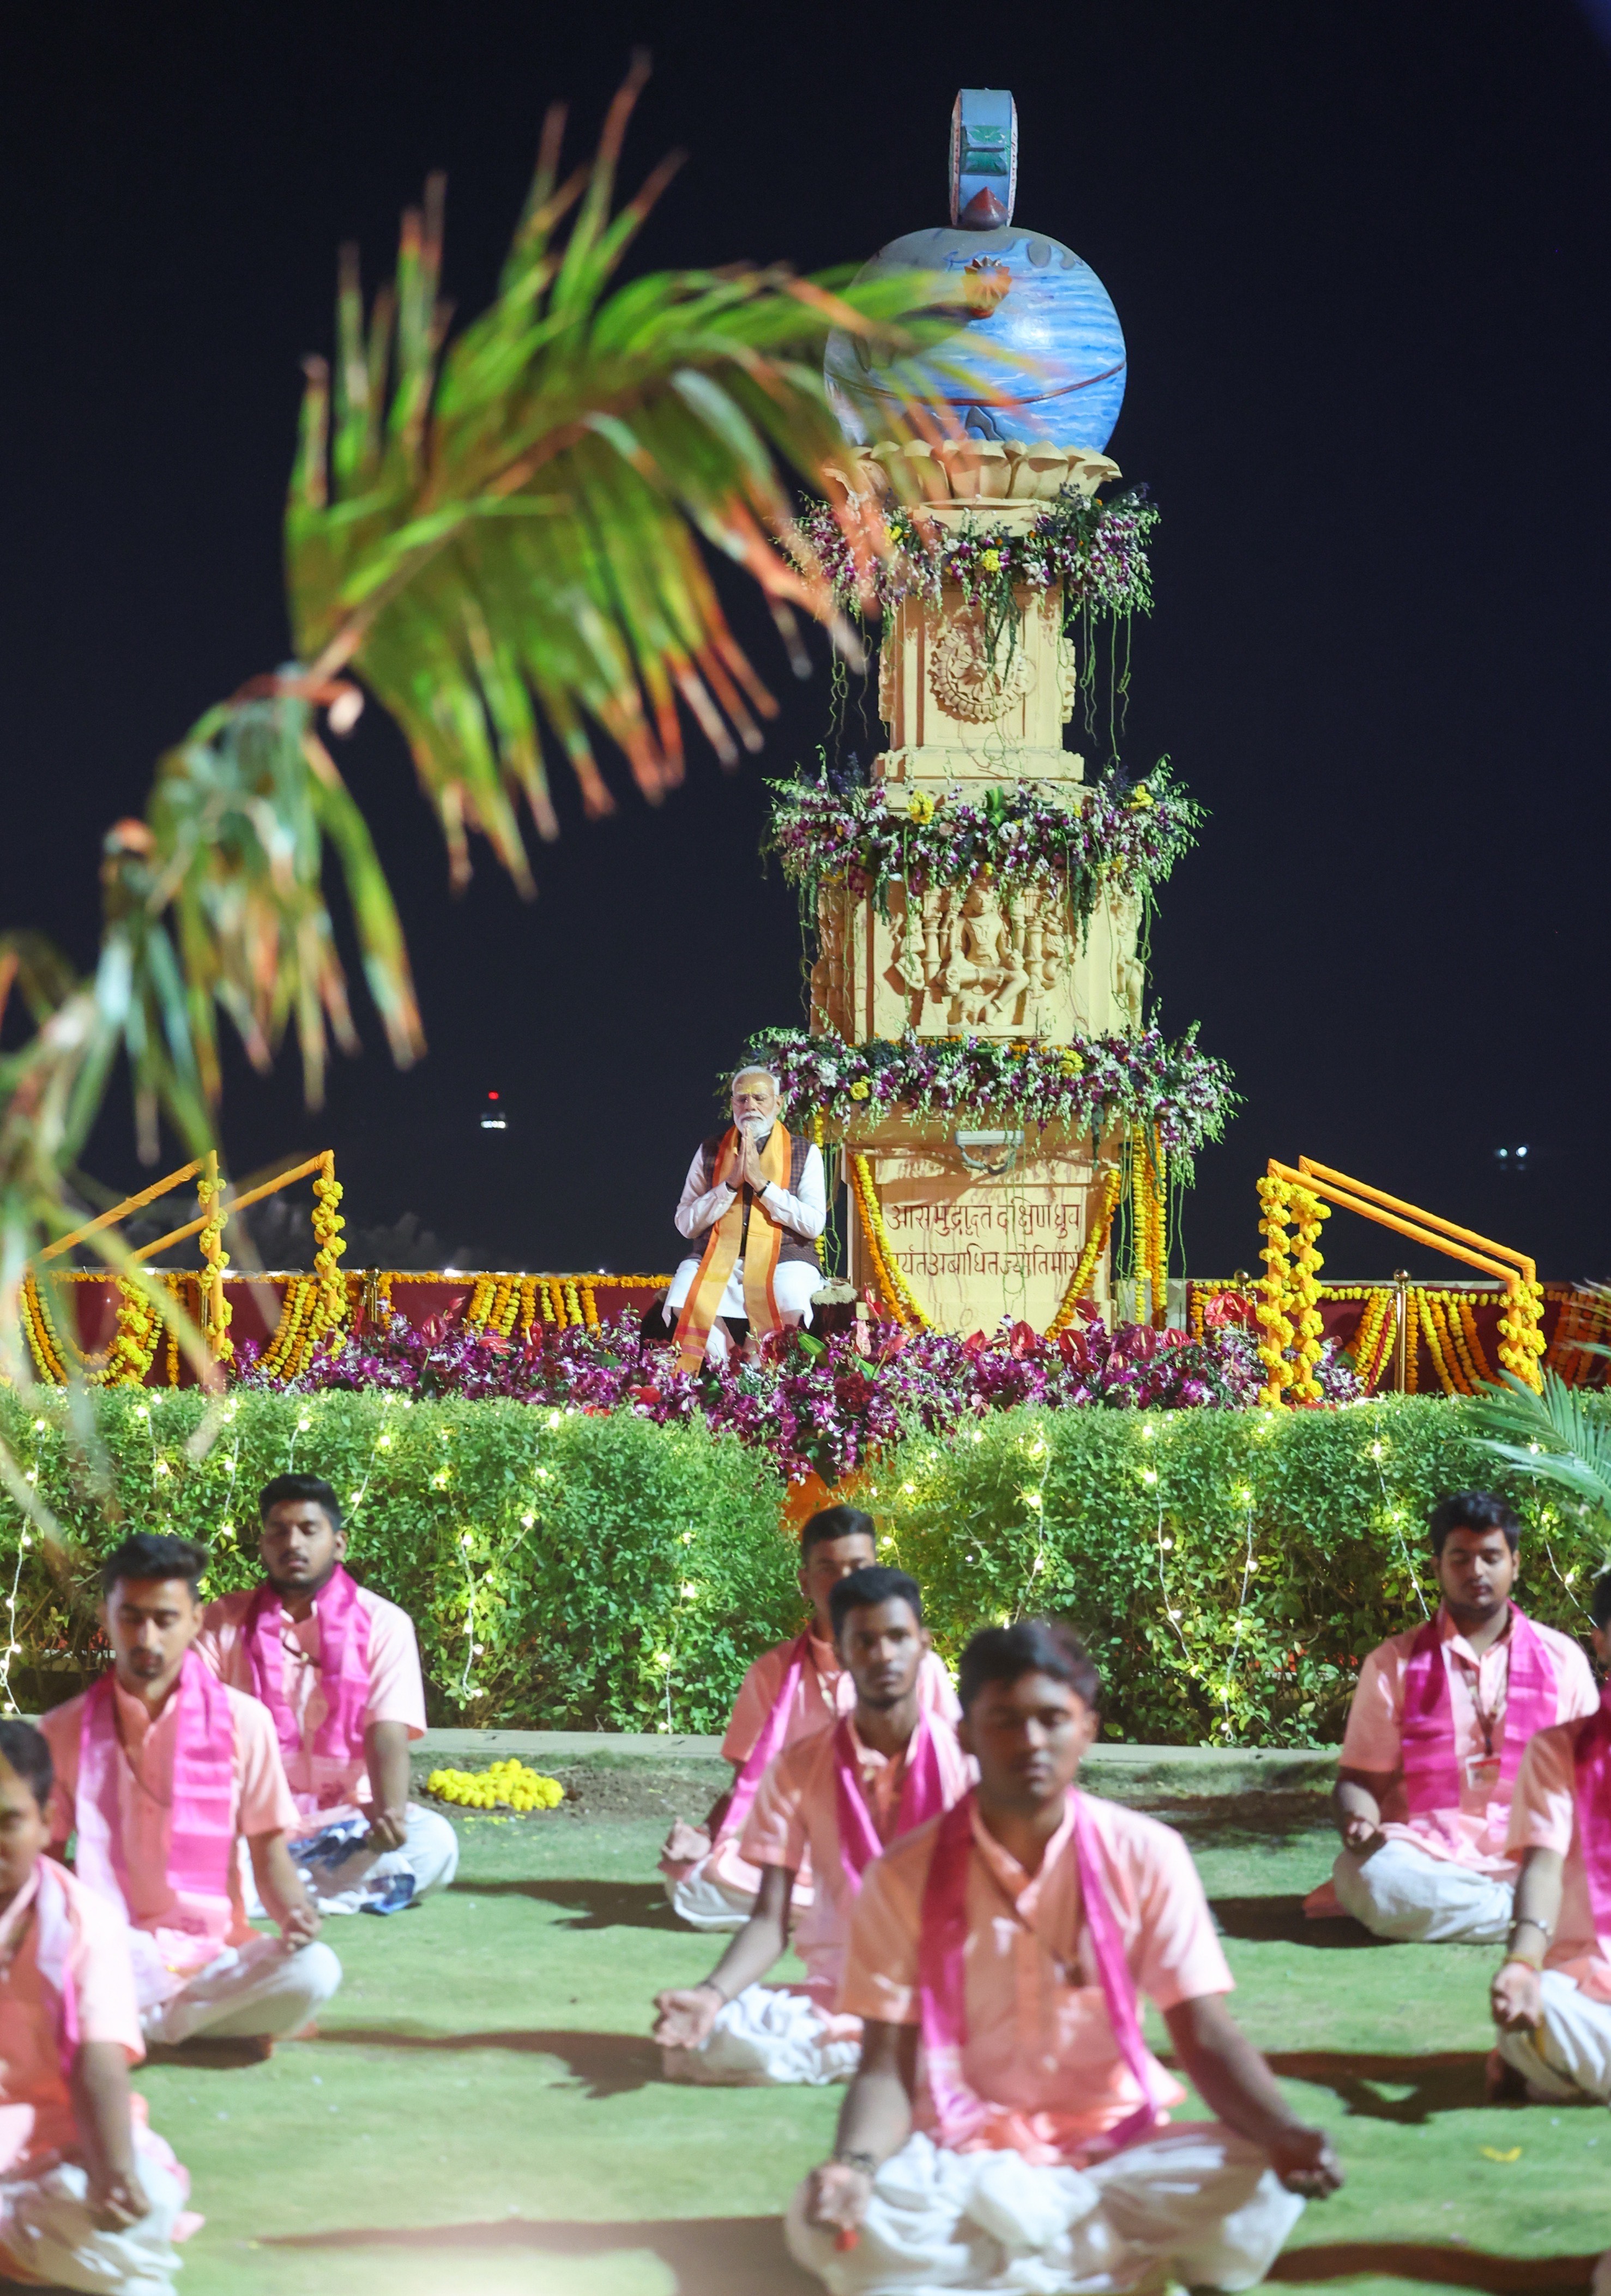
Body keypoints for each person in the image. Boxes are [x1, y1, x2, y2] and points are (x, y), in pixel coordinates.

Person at [788, 1619, 1341, 2296]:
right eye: (1005, 1721)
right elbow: (883, 2067)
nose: (1030, 1741)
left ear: (1087, 1730)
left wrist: (1284, 2132)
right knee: (838, 2220)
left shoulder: (1147, 1854)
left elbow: (1204, 2032)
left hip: (1116, 2149)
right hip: (960, 2153)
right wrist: (853, 2167)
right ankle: (1098, 2262)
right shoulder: (902, 1876)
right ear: (965, 1735)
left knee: (1258, 2174)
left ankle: (1014, 2263)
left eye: (1052, 1719)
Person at [654, 1566, 973, 2087]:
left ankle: (909, 2045)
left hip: (956, 1989)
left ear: (924, 1646)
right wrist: (710, 1996)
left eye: (898, 1638)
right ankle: (890, 2047)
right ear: (842, 1654)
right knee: (717, 2037)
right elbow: (768, 1922)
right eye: (864, 1641)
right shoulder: (799, 1768)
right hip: (845, 1990)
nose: (883, 1655)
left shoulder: (966, 1762)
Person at [40, 1532, 342, 2052]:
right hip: (106, 1946)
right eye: (131, 1618)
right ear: (106, 1616)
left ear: (196, 1620)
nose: (147, 1638)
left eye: (165, 1619)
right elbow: (41, 1862)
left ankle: (127, 2026)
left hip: (211, 1951)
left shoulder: (245, 1722)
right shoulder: (63, 1729)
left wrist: (295, 1913)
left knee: (314, 1971)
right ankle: (192, 2025)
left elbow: (269, 1856)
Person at [1309, 1489, 1596, 1943]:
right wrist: (1358, 1820)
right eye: (1460, 1558)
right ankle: (1534, 1914)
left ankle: (1521, 1906)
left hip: (1538, 1853)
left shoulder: (1563, 1660)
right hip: (1428, 1856)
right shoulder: (1392, 1663)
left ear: (1515, 1564)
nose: (1475, 1571)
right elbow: (1359, 1782)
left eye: (1490, 1558)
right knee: (1368, 1878)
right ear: (1436, 1567)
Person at [661, 1506, 960, 1930]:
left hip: (903, 1842)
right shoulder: (771, 1673)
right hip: (807, 1851)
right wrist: (704, 1837)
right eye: (827, 1569)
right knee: (692, 1880)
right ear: (804, 1582)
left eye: (857, 1568)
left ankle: (847, 1910)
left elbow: (957, 1772)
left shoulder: (918, 1667)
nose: (844, 1582)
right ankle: (868, 1913)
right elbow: (749, 1784)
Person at [196, 1473, 457, 1915]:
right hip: (247, 1818)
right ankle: (289, 1887)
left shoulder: (385, 1624)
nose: (292, 1543)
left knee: (435, 1845)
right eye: (279, 1532)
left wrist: (390, 1815)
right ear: (263, 1546)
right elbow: (192, 1725)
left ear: (338, 1544)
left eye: (308, 1530)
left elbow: (387, 1729)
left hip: (343, 1821)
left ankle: (258, 1891)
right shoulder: (221, 1620)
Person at [0, 1719, 195, 2293]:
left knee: (151, 2195)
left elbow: (99, 2060)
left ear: (45, 1823)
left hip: (62, 2146)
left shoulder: (86, 1920)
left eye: (7, 1822)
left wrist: (113, 2172)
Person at [1490, 1569, 1611, 2105]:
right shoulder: (1559, 1750)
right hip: (1590, 1984)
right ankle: (1550, 2060)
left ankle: (1558, 2074)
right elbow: (1541, 1868)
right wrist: (1521, 1964)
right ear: (1601, 1642)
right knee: (1544, 2009)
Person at [664, 1064, 826, 1370]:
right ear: (733, 1105)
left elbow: (814, 1224)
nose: (750, 1105)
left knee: (789, 1293)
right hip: (716, 1255)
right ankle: (728, 1366)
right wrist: (729, 1185)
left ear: (778, 1104)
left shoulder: (805, 1152)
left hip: (785, 1257)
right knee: (684, 1289)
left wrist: (763, 1186)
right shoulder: (710, 1151)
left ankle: (758, 1371)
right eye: (742, 1099)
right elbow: (685, 1224)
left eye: (759, 1098)